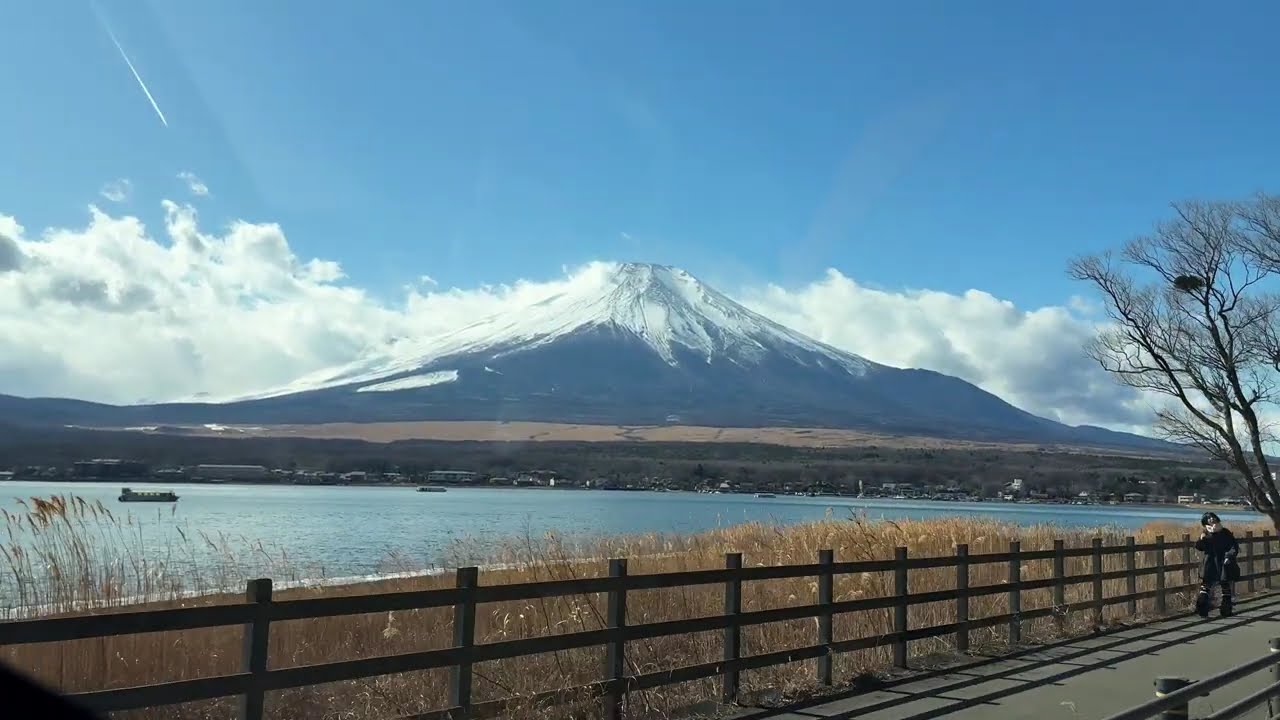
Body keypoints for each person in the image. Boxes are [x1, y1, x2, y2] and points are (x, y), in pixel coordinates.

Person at [1194, 511, 1240, 618]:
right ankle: (1202, 609)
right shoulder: (1205, 533)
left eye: (1213, 517)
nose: (1212, 519)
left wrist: (1229, 556)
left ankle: (1226, 610)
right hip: (1210, 562)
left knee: (1225, 586)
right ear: (1205, 521)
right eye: (1209, 518)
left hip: (1223, 562)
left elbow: (1233, 546)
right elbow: (1200, 547)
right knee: (1206, 587)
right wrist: (1201, 540)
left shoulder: (1225, 532)